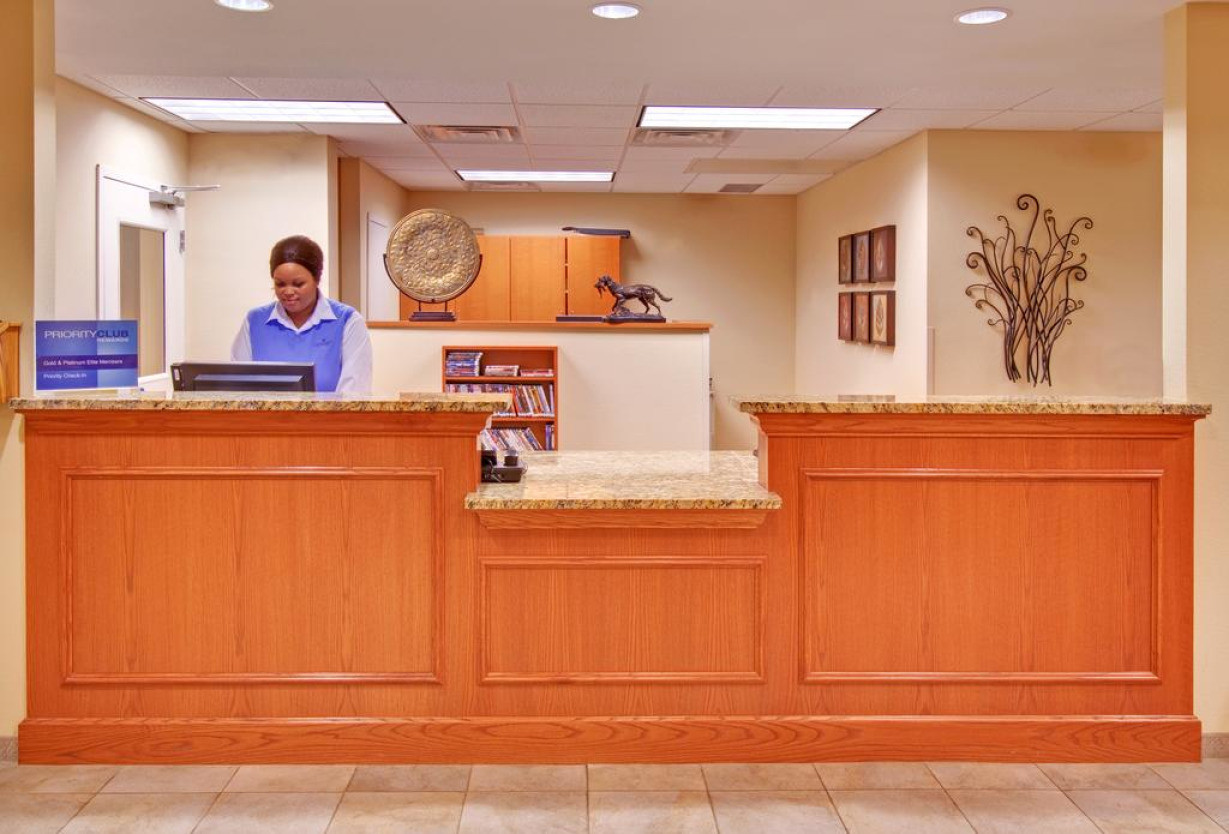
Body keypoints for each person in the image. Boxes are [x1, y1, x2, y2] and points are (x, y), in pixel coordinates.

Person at [231, 235, 372, 394]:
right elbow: (238, 388)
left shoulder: (347, 321)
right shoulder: (254, 321)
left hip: (331, 412)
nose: (288, 292)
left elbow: (354, 394)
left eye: (298, 284)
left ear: (317, 280)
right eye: (280, 284)